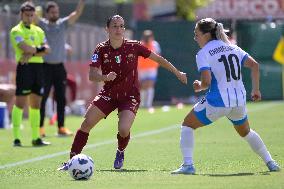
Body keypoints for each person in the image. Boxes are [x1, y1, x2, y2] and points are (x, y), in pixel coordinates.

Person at [58, 15, 187, 170]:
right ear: (107, 29)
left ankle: (120, 151)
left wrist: (178, 72)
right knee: (86, 123)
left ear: (124, 29)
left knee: (124, 129)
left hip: (129, 96)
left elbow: (159, 59)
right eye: (114, 26)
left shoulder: (134, 46)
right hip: (108, 93)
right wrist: (105, 77)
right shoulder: (100, 49)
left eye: (121, 26)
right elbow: (92, 75)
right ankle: (72, 161)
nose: (118, 29)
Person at [171, 18, 280, 174]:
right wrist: (256, 90)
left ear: (207, 34)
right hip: (239, 102)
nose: (195, 39)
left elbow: (206, 82)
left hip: (218, 101)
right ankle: (270, 162)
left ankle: (188, 165)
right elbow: (255, 65)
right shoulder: (233, 47)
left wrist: (198, 86)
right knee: (246, 132)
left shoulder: (203, 53)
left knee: (187, 125)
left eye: (197, 35)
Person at [35, 0, 85, 137]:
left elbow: (76, 13)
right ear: (47, 13)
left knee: (61, 98)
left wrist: (81, 2)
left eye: (56, 11)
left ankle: (61, 127)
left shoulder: (63, 24)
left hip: (59, 67)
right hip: (45, 67)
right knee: (43, 98)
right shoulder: (42, 24)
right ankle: (40, 128)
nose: (55, 14)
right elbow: (32, 14)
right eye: (52, 12)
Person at [9, 1, 50, 146]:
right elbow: (24, 47)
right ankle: (16, 138)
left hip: (38, 69)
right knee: (20, 103)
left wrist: (31, 52)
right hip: (24, 68)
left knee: (36, 105)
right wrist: (37, 50)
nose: (30, 17)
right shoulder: (16, 30)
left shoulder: (39, 30)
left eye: (32, 15)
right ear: (21, 14)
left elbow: (47, 49)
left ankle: (35, 138)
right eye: (27, 15)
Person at [138, 30, 161, 110]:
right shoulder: (140, 44)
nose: (147, 38)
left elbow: (158, 55)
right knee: (143, 85)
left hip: (152, 68)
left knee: (150, 84)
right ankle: (142, 104)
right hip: (142, 68)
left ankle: (148, 104)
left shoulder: (155, 45)